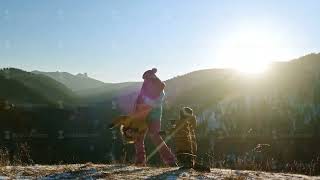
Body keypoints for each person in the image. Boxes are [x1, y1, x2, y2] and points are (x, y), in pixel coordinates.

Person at [134, 68, 176, 166]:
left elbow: (155, 103)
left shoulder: (159, 88)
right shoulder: (146, 88)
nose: (145, 81)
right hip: (144, 115)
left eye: (147, 78)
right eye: (145, 79)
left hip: (153, 116)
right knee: (139, 137)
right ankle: (140, 161)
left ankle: (170, 161)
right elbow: (139, 101)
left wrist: (143, 104)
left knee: (155, 137)